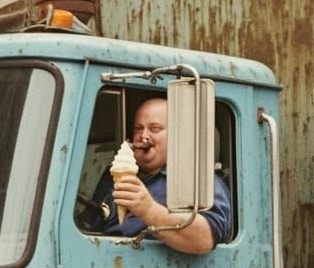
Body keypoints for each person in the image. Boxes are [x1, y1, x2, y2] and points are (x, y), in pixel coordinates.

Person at [88, 97, 231, 253]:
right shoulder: (111, 176)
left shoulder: (198, 180)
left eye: (155, 129)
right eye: (138, 128)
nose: (144, 136)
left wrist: (149, 211)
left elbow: (206, 239)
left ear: (177, 137)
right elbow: (90, 227)